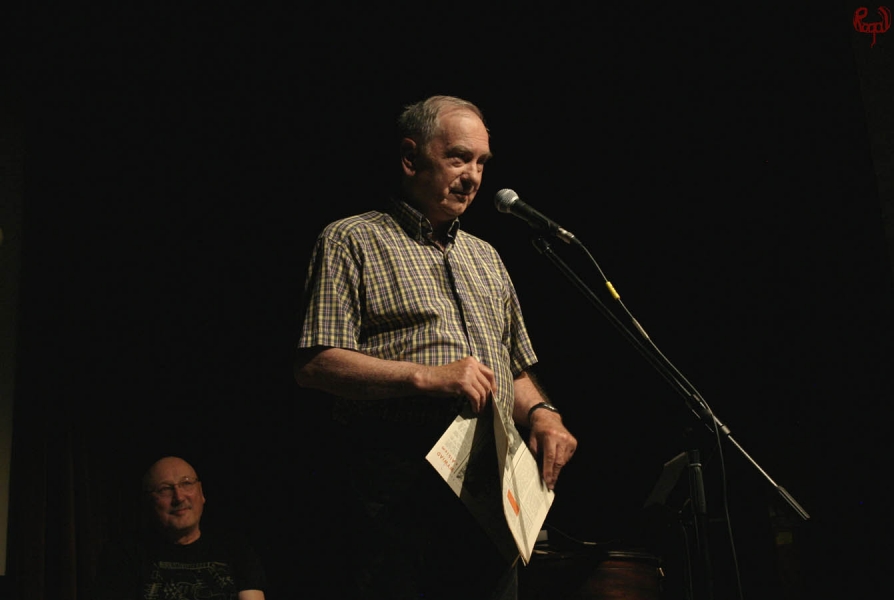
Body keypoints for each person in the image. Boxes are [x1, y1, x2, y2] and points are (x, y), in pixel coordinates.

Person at [294, 95, 578, 599]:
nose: (473, 176)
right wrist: (425, 375)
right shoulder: (351, 239)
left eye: (482, 163)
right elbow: (316, 364)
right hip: (398, 483)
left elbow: (514, 371)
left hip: (490, 488)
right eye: (458, 158)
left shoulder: (486, 257)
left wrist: (543, 414)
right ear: (411, 158)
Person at [92, 456, 267, 600]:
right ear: (148, 502)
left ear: (201, 493)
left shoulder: (235, 548)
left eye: (186, 483)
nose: (179, 497)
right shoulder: (124, 553)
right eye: (165, 489)